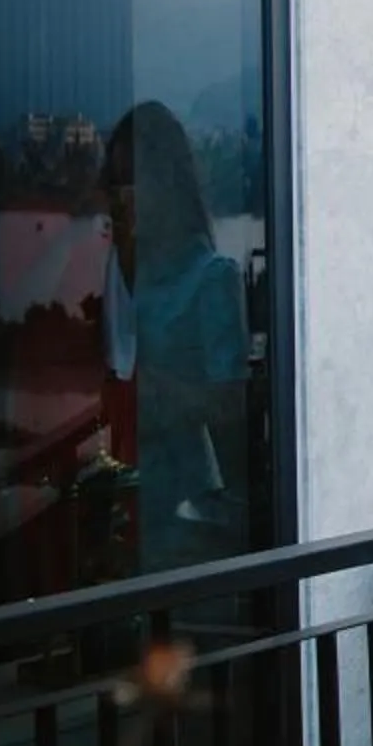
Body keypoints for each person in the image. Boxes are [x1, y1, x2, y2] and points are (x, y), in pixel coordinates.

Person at [102, 101, 251, 574]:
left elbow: (230, 406)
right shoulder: (118, 272)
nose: (124, 197)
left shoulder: (211, 278)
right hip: (122, 490)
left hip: (184, 504)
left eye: (134, 180)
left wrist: (151, 388)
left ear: (166, 180)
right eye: (116, 182)